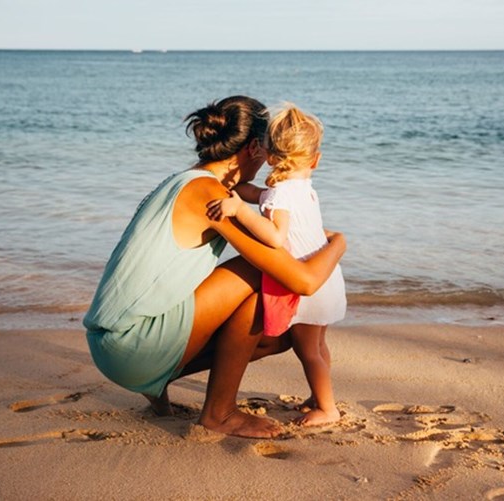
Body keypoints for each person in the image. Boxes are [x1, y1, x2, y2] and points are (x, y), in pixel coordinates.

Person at [83, 96, 346, 439]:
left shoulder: (187, 180)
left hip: (113, 345)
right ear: (254, 148)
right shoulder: (209, 193)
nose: (270, 165)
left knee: (278, 336)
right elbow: (303, 281)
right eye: (268, 152)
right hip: (130, 345)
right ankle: (219, 413)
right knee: (262, 274)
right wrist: (339, 243)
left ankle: (157, 381)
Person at [206, 104, 346, 426]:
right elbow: (261, 194)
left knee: (307, 350)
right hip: (325, 274)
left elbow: (275, 236)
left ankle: (327, 408)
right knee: (319, 345)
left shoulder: (280, 195)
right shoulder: (302, 189)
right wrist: (236, 190)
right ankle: (319, 396)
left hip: (306, 281)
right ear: (315, 160)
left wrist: (238, 211)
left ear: (269, 157)